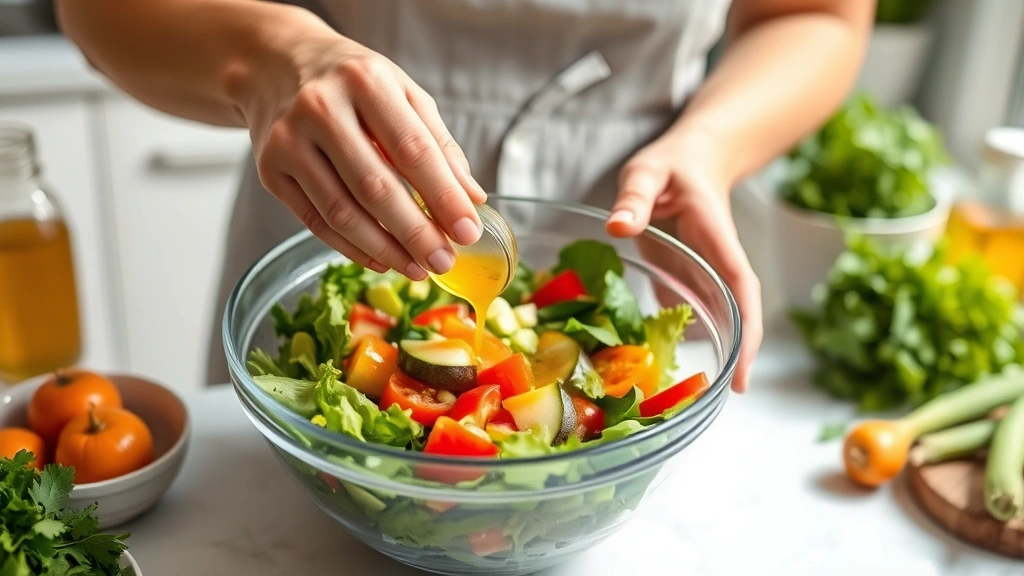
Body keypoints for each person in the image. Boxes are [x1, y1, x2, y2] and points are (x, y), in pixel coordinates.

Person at [55, 0, 875, 392]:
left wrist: (711, 141)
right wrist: (275, 58)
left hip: (634, 224)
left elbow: (819, 15)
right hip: (340, 206)